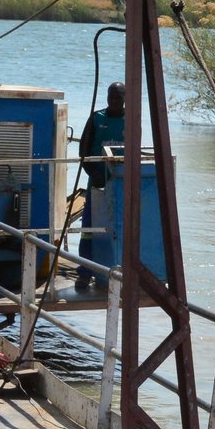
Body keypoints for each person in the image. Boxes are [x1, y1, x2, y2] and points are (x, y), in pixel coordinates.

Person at [75, 82, 126, 292]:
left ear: (125, 100)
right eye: (111, 97)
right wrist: (93, 174)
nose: (114, 102)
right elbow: (83, 151)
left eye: (118, 98)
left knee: (120, 230)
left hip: (122, 185)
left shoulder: (131, 120)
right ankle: (84, 273)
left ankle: (118, 273)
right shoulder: (96, 118)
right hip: (96, 183)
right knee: (89, 229)